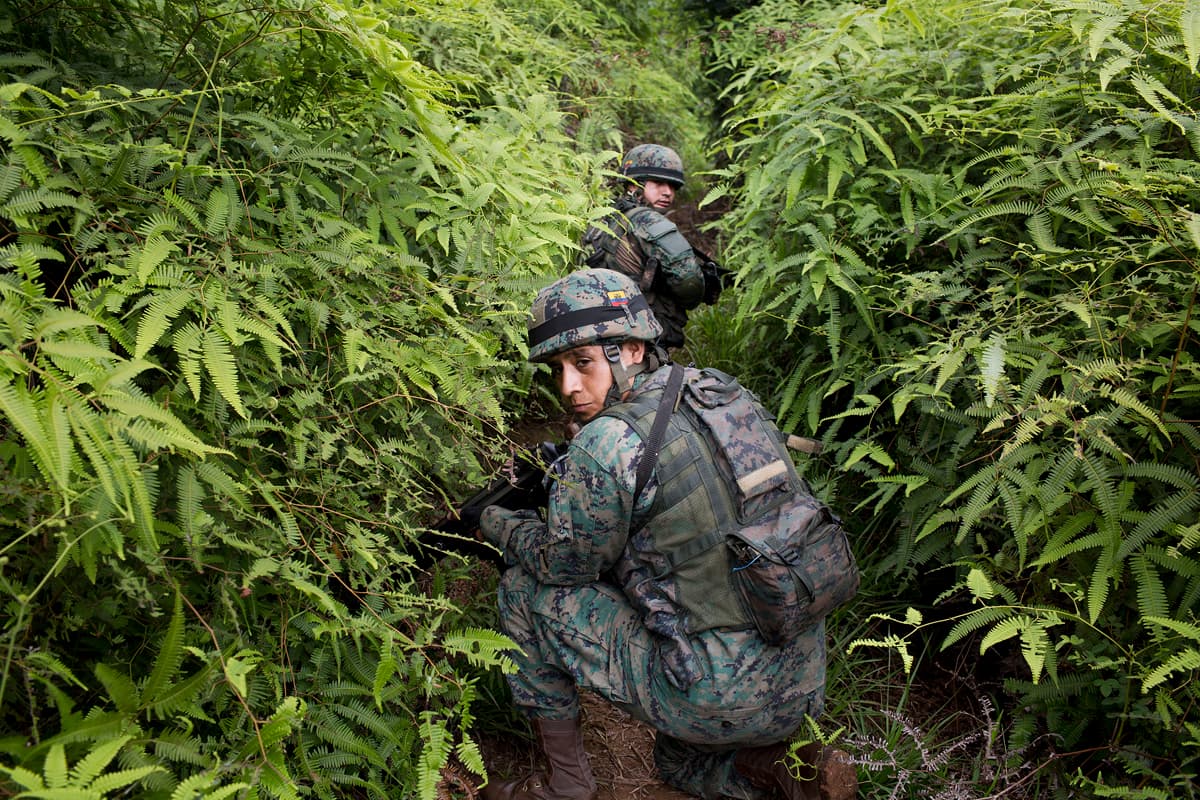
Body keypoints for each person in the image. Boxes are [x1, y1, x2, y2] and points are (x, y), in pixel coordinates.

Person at [477, 269, 857, 800]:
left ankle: (564, 787)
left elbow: (563, 567)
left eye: (583, 362)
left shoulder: (607, 443)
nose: (567, 386)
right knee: (676, 761)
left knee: (523, 590)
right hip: (801, 681)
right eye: (558, 368)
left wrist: (499, 524)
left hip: (714, 695)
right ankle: (783, 768)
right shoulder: (722, 397)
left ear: (632, 349)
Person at [579, 144, 725, 349]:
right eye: (658, 183)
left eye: (673, 186)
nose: (668, 192)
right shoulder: (649, 221)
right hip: (642, 336)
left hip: (596, 328)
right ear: (633, 185)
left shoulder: (604, 216)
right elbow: (689, 280)